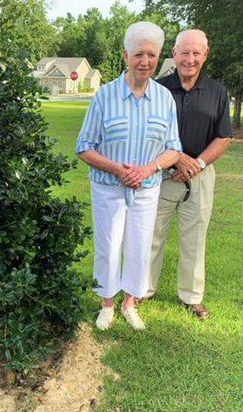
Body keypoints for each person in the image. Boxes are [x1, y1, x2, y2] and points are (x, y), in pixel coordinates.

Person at [75, 21, 182, 331]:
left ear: (159, 56)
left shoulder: (164, 99)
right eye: (138, 54)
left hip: (148, 189)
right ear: (125, 55)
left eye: (151, 54)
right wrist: (119, 169)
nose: (144, 61)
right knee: (108, 246)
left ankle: (130, 303)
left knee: (139, 245)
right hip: (109, 188)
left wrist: (148, 169)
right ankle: (107, 303)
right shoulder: (104, 96)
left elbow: (174, 148)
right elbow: (84, 147)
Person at [145, 29, 232, 319]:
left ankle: (191, 296)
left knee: (195, 237)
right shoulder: (158, 88)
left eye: (196, 53)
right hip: (163, 172)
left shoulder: (218, 92)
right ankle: (143, 289)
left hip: (200, 175)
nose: (190, 59)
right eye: (184, 52)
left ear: (205, 55)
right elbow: (148, 131)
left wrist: (198, 163)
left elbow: (223, 137)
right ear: (174, 53)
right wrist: (176, 159)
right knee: (152, 234)